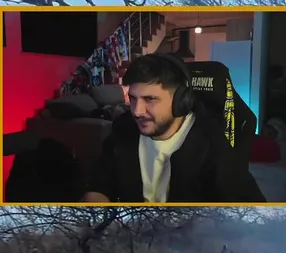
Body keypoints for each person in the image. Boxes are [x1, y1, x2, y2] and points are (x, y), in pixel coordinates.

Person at [82, 53, 265, 203]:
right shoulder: (124, 128)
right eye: (133, 98)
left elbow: (246, 209)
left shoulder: (212, 143)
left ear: (181, 101)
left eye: (150, 99)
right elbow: (99, 184)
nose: (137, 111)